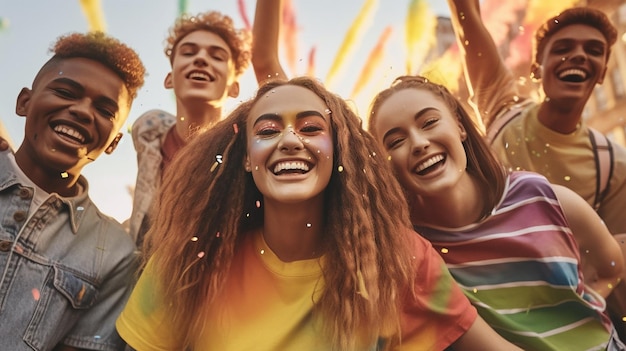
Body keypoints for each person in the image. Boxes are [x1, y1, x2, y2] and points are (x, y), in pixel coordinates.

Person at [116, 76, 522, 351]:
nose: (290, 140)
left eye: (311, 128)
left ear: (339, 151)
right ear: (245, 159)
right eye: (269, 131)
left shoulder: (399, 259)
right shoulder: (191, 260)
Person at [368, 75, 625, 350]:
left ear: (459, 126)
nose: (419, 143)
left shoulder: (539, 196)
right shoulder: (410, 250)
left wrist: (581, 311)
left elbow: (611, 266)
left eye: (429, 122)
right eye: (395, 141)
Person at [446, 1, 626, 337]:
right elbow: (465, 19)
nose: (579, 56)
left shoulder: (612, 165)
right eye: (562, 48)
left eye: (594, 50)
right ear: (535, 68)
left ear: (603, 71)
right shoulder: (502, 110)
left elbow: (615, 263)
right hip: (476, 317)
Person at [0, 32, 145, 350]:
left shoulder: (114, 253)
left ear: (114, 143)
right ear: (24, 102)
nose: (82, 111)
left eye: (106, 111)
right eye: (65, 91)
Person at [128, 11, 251, 246]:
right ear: (169, 79)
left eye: (217, 56)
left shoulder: (245, 151)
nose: (201, 59)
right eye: (188, 52)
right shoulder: (148, 132)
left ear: (234, 88)